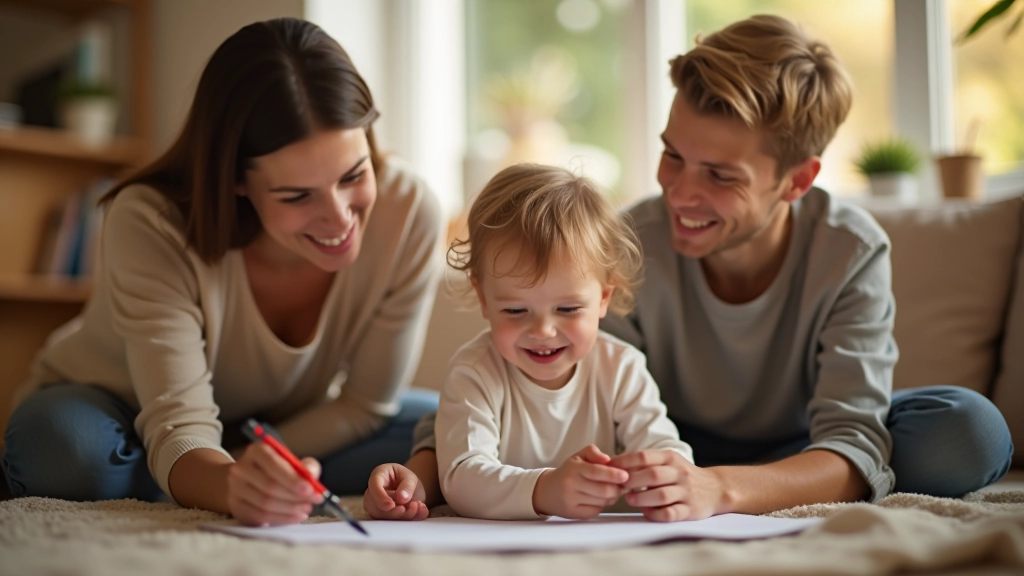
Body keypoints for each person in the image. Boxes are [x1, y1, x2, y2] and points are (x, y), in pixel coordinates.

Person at [366, 14, 1013, 522]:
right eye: (672, 155)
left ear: (798, 179)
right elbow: (525, 378)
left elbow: (851, 440)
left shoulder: (849, 250)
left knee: (966, 431)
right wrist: (425, 473)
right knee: (396, 425)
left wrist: (718, 489)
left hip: (795, 451)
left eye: (720, 175)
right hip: (649, 445)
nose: (679, 194)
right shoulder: (629, 240)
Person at [2, 18, 443, 527]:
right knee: (66, 454)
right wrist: (234, 486)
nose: (341, 218)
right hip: (119, 412)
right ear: (235, 179)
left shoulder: (409, 211)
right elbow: (178, 425)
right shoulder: (150, 219)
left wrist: (248, 462)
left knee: (447, 428)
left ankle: (176, 481)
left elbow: (368, 403)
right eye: (297, 195)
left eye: (354, 174)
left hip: (272, 424)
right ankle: (180, 478)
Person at [429, 164, 692, 521]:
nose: (542, 330)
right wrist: (544, 491)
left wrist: (667, 475)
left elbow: (663, 446)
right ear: (483, 299)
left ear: (603, 299)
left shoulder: (621, 367)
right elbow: (461, 477)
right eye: (516, 309)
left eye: (567, 308)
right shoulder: (474, 372)